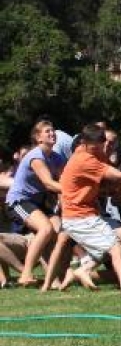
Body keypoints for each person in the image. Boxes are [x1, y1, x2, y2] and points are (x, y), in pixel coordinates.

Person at [58, 123, 121, 294]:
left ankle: (83, 269)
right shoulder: (84, 159)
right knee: (116, 246)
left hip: (89, 214)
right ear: (85, 142)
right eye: (98, 144)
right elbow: (116, 175)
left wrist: (115, 189)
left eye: (104, 142)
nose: (103, 147)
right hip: (79, 218)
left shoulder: (96, 153)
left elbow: (107, 181)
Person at [5, 120, 66, 286]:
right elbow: (49, 183)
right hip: (18, 202)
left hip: (38, 204)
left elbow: (65, 179)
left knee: (58, 230)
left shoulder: (56, 157)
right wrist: (74, 191)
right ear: (38, 138)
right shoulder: (36, 156)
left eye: (53, 130)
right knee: (46, 228)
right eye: (47, 131)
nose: (52, 133)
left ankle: (52, 279)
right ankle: (25, 274)